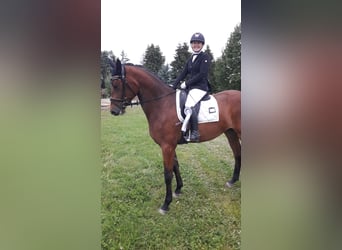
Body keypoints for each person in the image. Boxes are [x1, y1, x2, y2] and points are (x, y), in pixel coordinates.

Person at [172, 32, 211, 142]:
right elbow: (183, 73)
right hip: (191, 88)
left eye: (198, 43)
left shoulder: (205, 57)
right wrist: (173, 86)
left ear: (202, 44)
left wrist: (186, 83)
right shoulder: (190, 59)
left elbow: (202, 74)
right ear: (191, 45)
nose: (196, 45)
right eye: (194, 43)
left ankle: (195, 132)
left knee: (189, 105)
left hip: (200, 88)